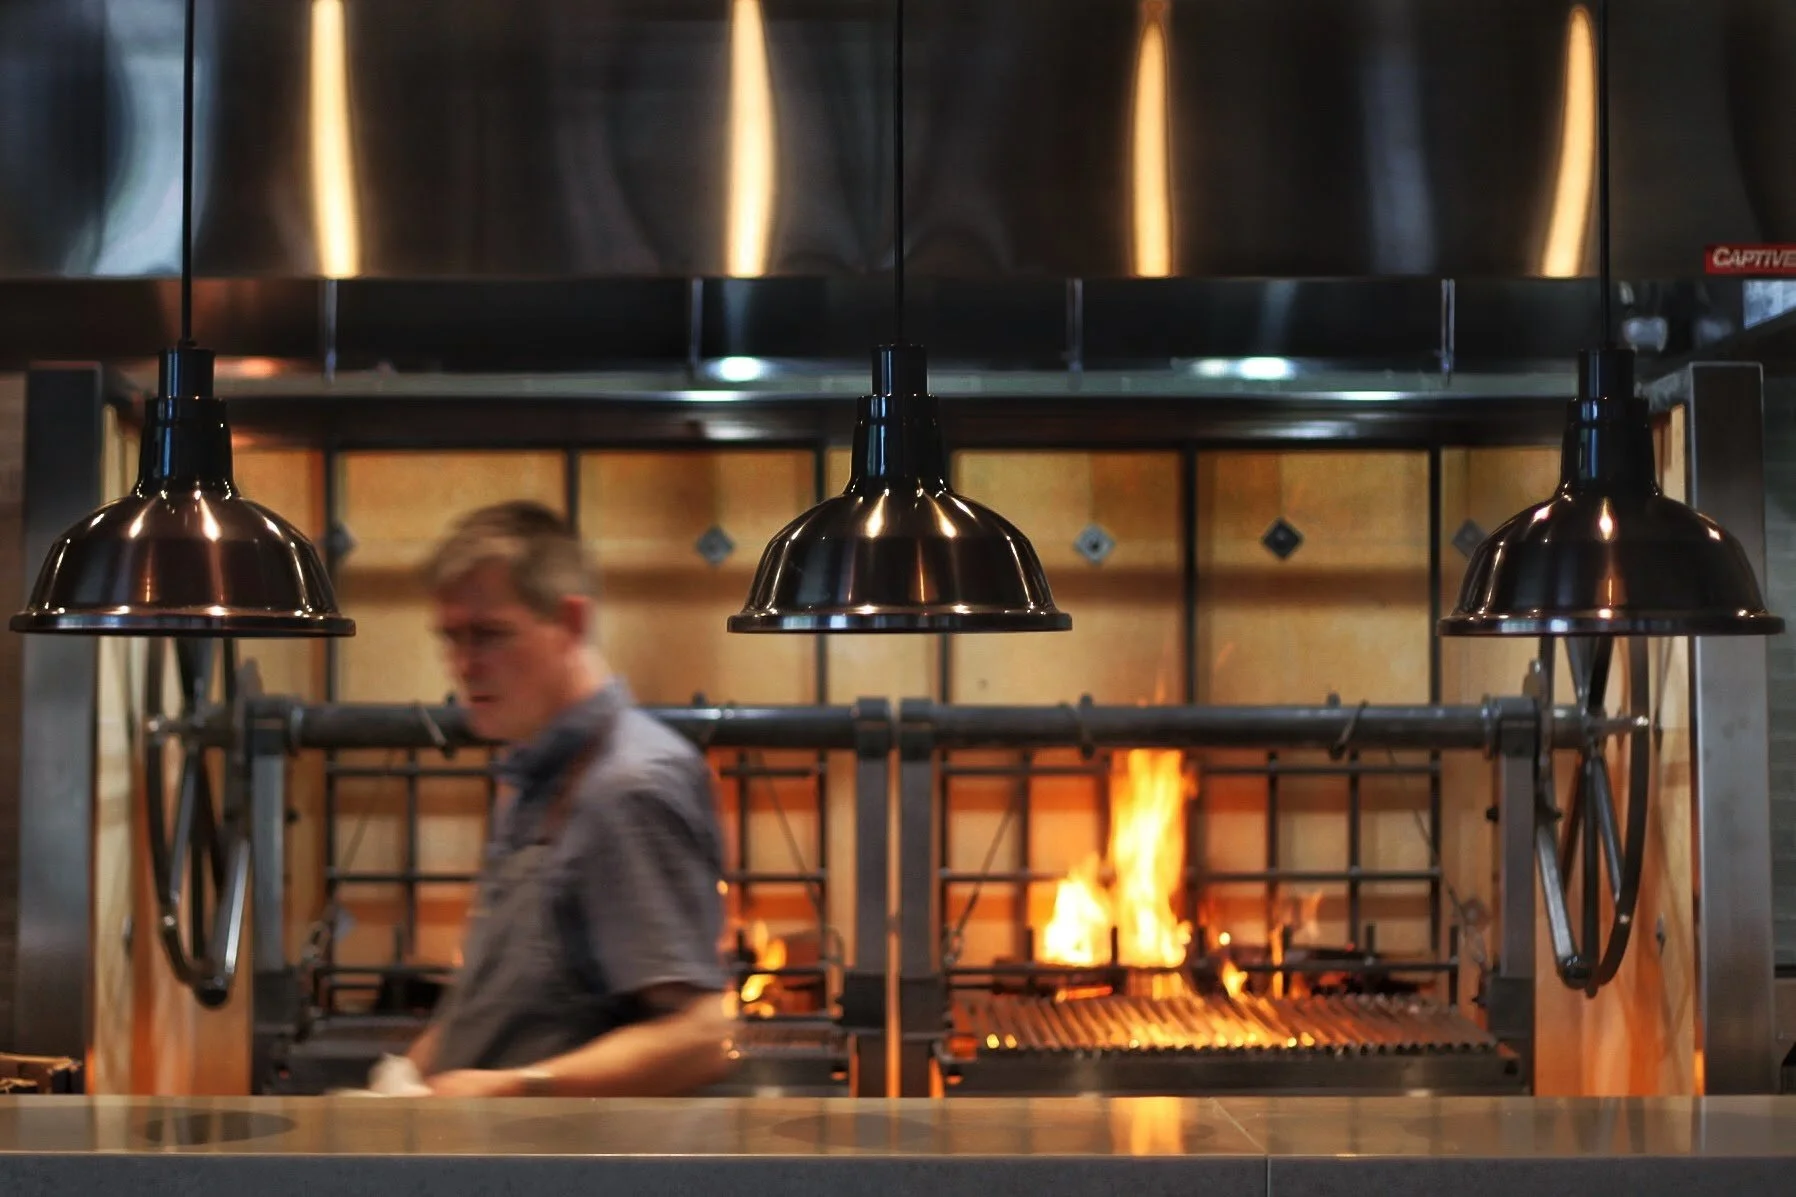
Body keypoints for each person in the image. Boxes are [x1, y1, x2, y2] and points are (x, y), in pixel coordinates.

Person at [400, 499, 735, 1098]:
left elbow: (698, 1036)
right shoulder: (536, 776)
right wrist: (412, 1073)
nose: (464, 666)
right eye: (451, 638)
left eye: (490, 635)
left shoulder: (627, 787)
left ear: (572, 623)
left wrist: (515, 1089)